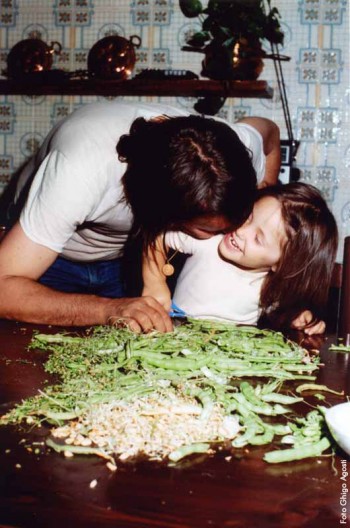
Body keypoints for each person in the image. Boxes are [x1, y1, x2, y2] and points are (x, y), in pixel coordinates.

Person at [0, 101, 280, 331]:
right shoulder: (80, 169)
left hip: (123, 258)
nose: (232, 233)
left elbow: (269, 132)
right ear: (166, 217)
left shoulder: (229, 150)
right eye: (211, 230)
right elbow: (3, 288)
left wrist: (266, 191)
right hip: (48, 261)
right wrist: (109, 309)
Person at [142, 182, 338, 335]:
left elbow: (284, 314)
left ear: (281, 265)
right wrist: (155, 282)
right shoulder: (209, 241)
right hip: (175, 334)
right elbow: (157, 237)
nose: (241, 230)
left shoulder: (271, 287)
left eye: (258, 238)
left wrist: (301, 319)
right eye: (248, 217)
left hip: (230, 357)